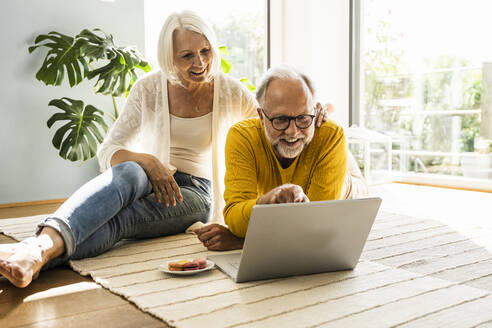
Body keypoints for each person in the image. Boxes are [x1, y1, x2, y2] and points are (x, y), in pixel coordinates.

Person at [0, 11, 330, 288]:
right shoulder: (148, 89)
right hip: (146, 176)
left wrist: (317, 115)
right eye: (187, 55)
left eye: (205, 51)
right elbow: (108, 150)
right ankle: (34, 253)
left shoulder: (229, 90)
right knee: (127, 171)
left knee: (122, 222)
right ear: (169, 57)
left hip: (196, 193)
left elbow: (272, 125)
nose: (200, 62)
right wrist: (149, 161)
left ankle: (37, 253)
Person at [195, 66, 367, 251]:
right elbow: (235, 218)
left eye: (303, 118)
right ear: (261, 116)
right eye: (280, 120)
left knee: (328, 138)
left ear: (314, 114)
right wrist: (264, 202)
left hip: (349, 186)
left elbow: (316, 227)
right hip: (308, 150)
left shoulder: (331, 135)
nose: (292, 132)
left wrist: (243, 241)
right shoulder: (242, 136)